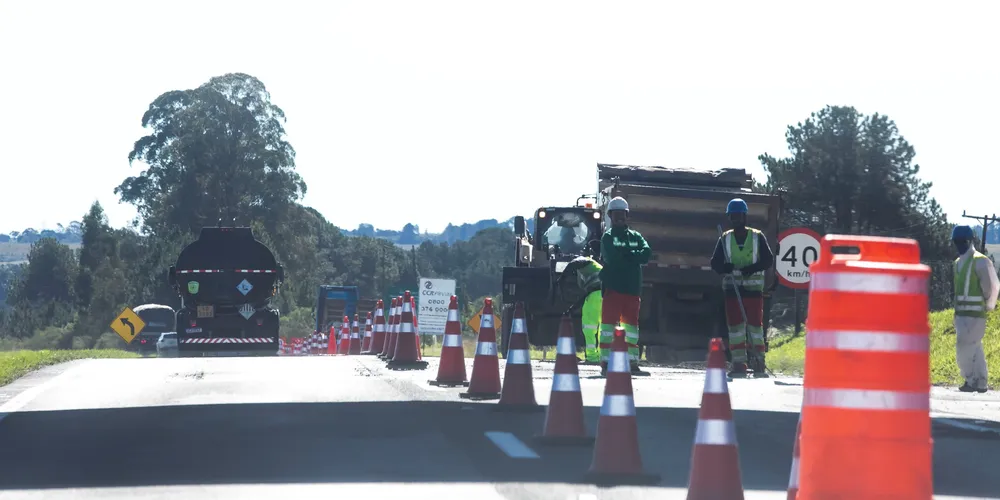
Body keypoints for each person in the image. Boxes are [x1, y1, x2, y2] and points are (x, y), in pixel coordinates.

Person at [710, 198, 774, 378]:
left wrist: (751, 269)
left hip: (753, 292)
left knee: (755, 327)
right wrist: (725, 268)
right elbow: (715, 263)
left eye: (739, 215)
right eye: (733, 216)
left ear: (745, 217)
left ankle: (759, 363)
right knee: (736, 329)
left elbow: (767, 260)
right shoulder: (725, 238)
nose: (737, 219)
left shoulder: (757, 236)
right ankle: (739, 364)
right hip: (733, 291)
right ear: (730, 218)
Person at [599, 196, 651, 375]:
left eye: (622, 214)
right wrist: (632, 256)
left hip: (632, 289)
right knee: (608, 327)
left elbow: (647, 253)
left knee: (631, 328)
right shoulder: (607, 237)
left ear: (627, 215)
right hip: (613, 288)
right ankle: (606, 362)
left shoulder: (636, 236)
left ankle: (632, 363)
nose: (619, 218)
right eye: (616, 215)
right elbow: (613, 259)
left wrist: (626, 255)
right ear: (610, 216)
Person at [950, 225, 999, 393]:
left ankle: (970, 380)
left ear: (969, 241)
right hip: (962, 314)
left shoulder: (981, 260)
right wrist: (956, 314)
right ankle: (981, 382)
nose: (959, 245)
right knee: (975, 348)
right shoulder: (958, 263)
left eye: (961, 241)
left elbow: (991, 286)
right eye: (956, 242)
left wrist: (989, 304)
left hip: (976, 314)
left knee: (964, 348)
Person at [560, 240, 603, 363]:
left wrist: (562, 277)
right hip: (606, 296)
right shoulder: (594, 269)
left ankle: (591, 357)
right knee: (603, 328)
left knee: (589, 327)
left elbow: (576, 262)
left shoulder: (587, 261)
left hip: (596, 295)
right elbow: (585, 295)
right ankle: (603, 357)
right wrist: (572, 308)